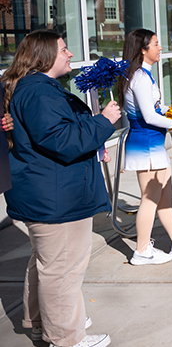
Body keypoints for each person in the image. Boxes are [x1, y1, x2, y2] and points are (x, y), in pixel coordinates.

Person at [2, 30, 120, 347]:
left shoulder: (31, 89)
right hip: (57, 197)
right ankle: (66, 338)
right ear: (44, 56)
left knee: (47, 265)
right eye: (64, 49)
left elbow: (54, 136)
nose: (70, 54)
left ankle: (42, 323)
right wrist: (104, 122)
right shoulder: (39, 93)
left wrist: (94, 142)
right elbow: (62, 141)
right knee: (63, 271)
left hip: (46, 191)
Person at [118, 29, 172, 265]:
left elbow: (156, 108)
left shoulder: (144, 75)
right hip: (146, 145)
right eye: (156, 44)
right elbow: (148, 116)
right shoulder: (138, 77)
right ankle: (142, 250)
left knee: (167, 195)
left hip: (154, 144)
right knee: (150, 199)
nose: (160, 48)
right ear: (143, 50)